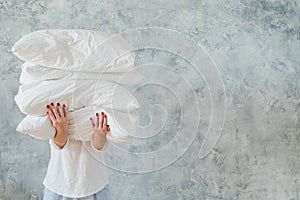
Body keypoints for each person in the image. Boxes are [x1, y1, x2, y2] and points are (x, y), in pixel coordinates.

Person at [42, 102, 112, 200]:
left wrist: (100, 134)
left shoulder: (97, 99)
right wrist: (61, 130)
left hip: (94, 185)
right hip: (60, 185)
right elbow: (59, 144)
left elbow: (99, 146)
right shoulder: (61, 97)